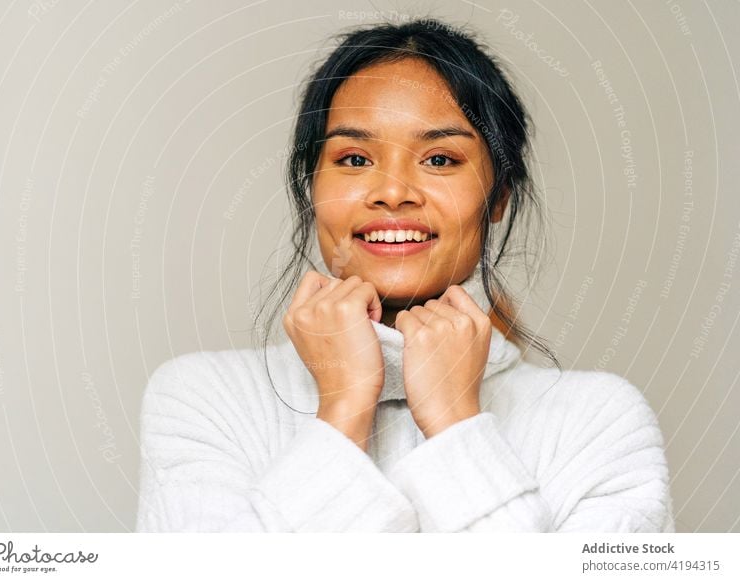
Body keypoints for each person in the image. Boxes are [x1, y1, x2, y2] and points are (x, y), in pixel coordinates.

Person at [135, 18, 675, 533]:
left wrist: (454, 419)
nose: (392, 192)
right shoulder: (202, 399)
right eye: (353, 159)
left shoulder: (599, 419)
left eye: (440, 159)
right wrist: (344, 406)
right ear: (311, 188)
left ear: (499, 197)